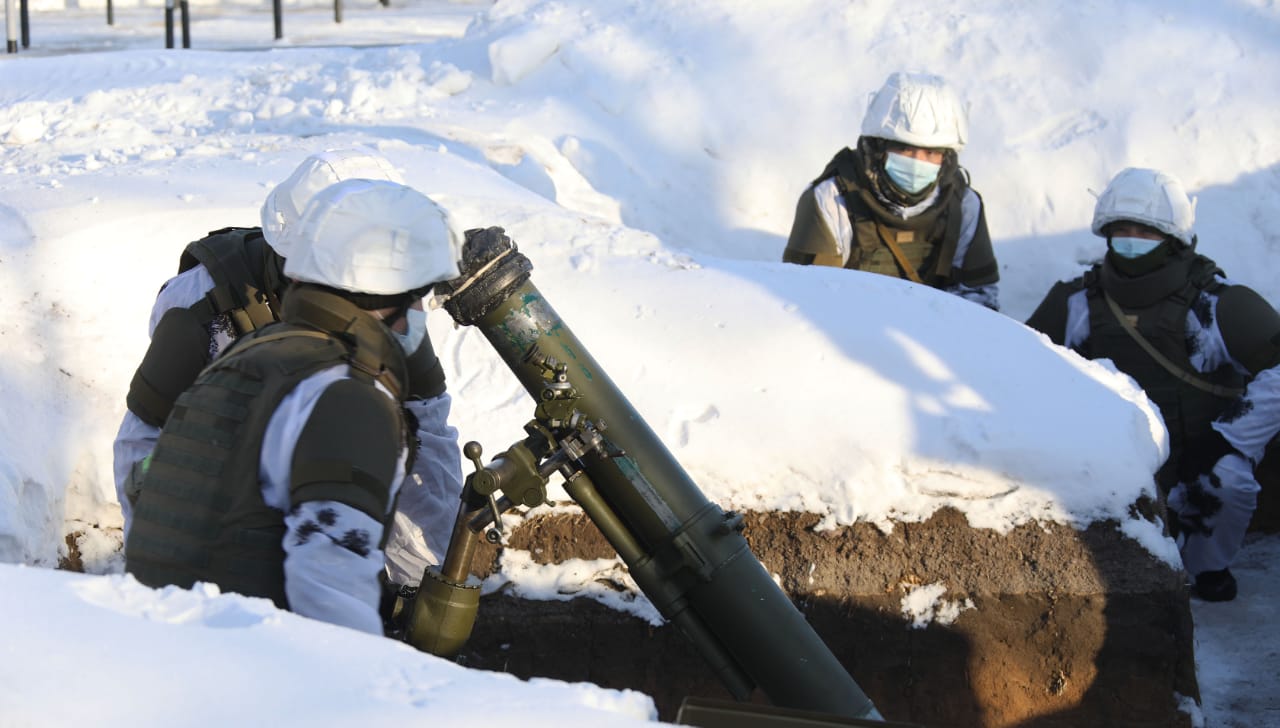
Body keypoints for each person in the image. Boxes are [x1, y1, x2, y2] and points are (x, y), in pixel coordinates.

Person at [112, 148, 461, 594]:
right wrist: (163, 585)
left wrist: (421, 589)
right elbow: (142, 447)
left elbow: (426, 438)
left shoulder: (392, 305)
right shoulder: (205, 305)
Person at [1025, 167, 1280, 601]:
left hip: (1196, 459)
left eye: (1145, 230)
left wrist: (1230, 440)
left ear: (1174, 238)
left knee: (1227, 477)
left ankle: (1206, 569)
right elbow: (1020, 369)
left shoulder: (1218, 304)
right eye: (1120, 229)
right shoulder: (1074, 303)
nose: (1131, 239)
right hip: (1113, 464)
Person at [783, 71, 1000, 310]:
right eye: (906, 149)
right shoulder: (832, 201)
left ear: (946, 158)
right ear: (879, 148)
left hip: (935, 338)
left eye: (931, 153)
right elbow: (809, 302)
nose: (918, 162)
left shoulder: (963, 205)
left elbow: (979, 302)